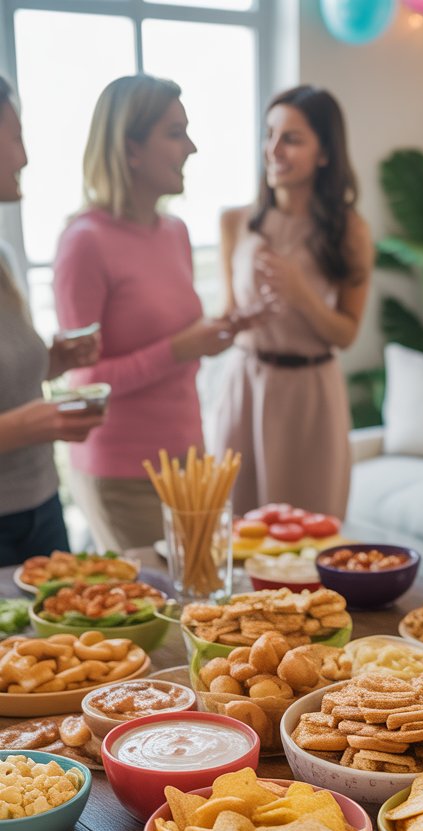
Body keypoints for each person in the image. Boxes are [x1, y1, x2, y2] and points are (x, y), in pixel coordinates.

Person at [53, 74, 242, 552]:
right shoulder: (84, 242)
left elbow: (179, 346)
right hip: (123, 473)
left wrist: (215, 334)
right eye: (175, 133)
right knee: (157, 616)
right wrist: (179, 349)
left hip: (188, 461)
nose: (192, 147)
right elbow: (83, 382)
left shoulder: (174, 231)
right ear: (130, 148)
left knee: (203, 612)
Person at [211, 84, 373, 519]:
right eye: (269, 134)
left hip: (310, 398)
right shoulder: (235, 222)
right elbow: (225, 318)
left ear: (325, 154)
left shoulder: (350, 232)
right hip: (246, 385)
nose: (273, 149)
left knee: (308, 538)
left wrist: (302, 296)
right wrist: (239, 320)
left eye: (292, 139)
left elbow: (347, 333)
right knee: (236, 533)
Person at [0, 76, 103, 567]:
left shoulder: (3, 254)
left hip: (40, 506)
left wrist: (52, 360)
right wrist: (22, 426)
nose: (24, 157)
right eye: (14, 137)